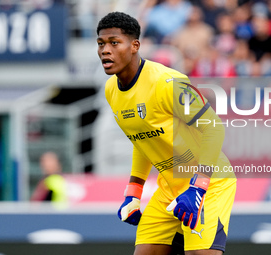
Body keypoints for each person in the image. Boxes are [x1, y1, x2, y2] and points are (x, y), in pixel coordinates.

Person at [96, 12, 236, 255]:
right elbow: (141, 139)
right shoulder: (111, 90)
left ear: (134, 46)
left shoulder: (167, 83)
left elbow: (214, 127)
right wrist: (134, 193)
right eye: (101, 44)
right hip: (168, 188)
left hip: (209, 185)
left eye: (114, 43)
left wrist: (198, 188)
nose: (105, 50)